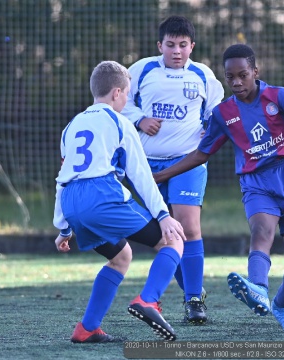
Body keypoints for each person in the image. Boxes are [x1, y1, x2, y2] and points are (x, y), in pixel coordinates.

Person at [152, 44, 284, 333]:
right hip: (255, 183)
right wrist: (160, 176)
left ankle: (281, 306)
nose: (236, 82)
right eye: (230, 77)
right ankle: (257, 288)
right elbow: (201, 154)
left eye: (243, 75)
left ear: (255, 72)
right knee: (262, 232)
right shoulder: (223, 113)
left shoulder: (279, 96)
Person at [53, 60, 187, 343]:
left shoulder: (71, 127)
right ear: (116, 93)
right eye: (127, 94)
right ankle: (148, 300)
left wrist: (64, 228)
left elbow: (63, 178)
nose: (127, 99)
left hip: (72, 203)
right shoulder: (120, 122)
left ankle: (86, 329)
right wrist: (164, 215)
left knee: (121, 257)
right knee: (173, 240)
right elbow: (141, 176)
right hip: (102, 196)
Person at [121, 15, 224, 325]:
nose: (176, 51)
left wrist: (210, 129)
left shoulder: (203, 76)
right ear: (159, 45)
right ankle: (192, 290)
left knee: (189, 226)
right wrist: (139, 119)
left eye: (182, 45)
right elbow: (118, 102)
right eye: (170, 45)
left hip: (186, 163)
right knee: (166, 233)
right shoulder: (141, 70)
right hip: (146, 166)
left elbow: (215, 113)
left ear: (192, 46)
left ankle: (194, 300)